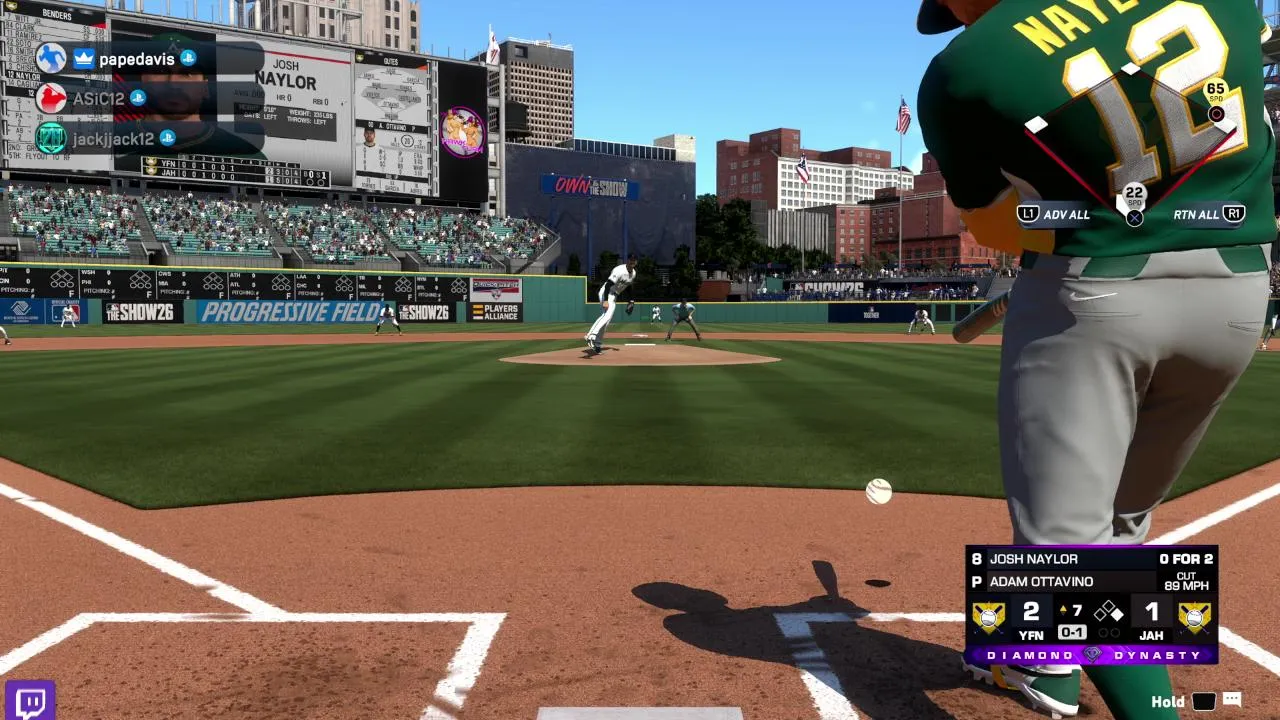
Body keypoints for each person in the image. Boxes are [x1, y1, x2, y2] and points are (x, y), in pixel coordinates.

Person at [916, 1, 1274, 719]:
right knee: (1123, 513)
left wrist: (1059, 223)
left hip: (1096, 291)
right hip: (1239, 291)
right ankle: (1044, 664)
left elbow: (993, 222)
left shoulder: (965, 67)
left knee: (1065, 543)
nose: (952, 16)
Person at [585, 254, 638, 354]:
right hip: (606, 293)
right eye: (631, 259)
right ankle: (591, 335)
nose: (632, 262)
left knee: (607, 320)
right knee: (606, 315)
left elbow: (629, 286)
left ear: (636, 262)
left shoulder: (633, 273)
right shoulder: (619, 270)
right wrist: (605, 300)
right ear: (627, 260)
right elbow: (608, 285)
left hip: (614, 296)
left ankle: (597, 345)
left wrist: (631, 300)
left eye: (634, 260)